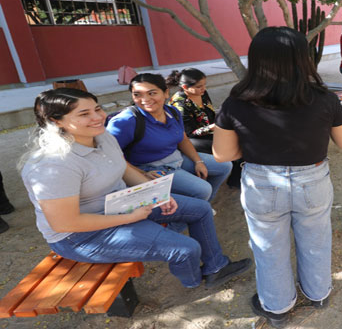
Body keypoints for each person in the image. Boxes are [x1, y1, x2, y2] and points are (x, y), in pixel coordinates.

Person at [19, 88, 251, 289]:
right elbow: (65, 223)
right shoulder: (52, 165)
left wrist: (156, 195)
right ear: (56, 121)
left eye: (97, 109)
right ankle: (193, 281)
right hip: (81, 236)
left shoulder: (102, 136)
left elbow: (124, 169)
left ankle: (215, 266)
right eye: (84, 114)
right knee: (185, 248)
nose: (98, 117)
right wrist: (130, 218)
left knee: (200, 208)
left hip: (120, 205)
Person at [213, 27, 342, 327]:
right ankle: (318, 293)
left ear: (256, 59)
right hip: (313, 180)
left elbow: (223, 155)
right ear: (302, 58)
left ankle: (277, 307)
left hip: (261, 183)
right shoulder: (324, 98)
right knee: (316, 240)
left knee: (268, 247)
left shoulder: (236, 102)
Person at [107, 74, 232, 202]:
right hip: (151, 168)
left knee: (225, 166)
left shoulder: (172, 112)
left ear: (166, 93)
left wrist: (198, 162)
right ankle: (194, 207)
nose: (145, 99)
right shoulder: (126, 121)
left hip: (176, 158)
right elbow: (110, 155)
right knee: (203, 189)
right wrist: (141, 174)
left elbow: (183, 140)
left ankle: (203, 205)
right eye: (137, 94)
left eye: (152, 93)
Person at [167, 69, 243, 188]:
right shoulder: (180, 103)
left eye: (204, 85)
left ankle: (235, 180)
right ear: (185, 87)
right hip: (189, 139)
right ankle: (234, 181)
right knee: (231, 144)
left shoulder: (201, 94)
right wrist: (212, 128)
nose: (203, 89)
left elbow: (210, 115)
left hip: (209, 130)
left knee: (239, 137)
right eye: (199, 86)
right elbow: (188, 133)